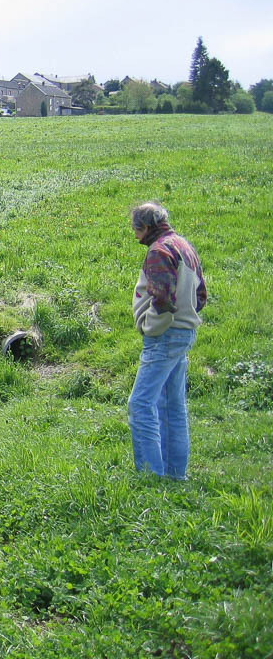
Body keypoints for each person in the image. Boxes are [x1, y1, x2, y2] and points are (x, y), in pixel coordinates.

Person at [127, 201, 207, 480]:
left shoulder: (159, 251)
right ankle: (175, 477)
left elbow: (162, 298)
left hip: (164, 337)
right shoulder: (182, 244)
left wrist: (151, 327)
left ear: (146, 226)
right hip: (183, 332)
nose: (135, 235)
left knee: (140, 404)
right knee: (172, 406)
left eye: (135, 229)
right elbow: (201, 295)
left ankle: (151, 477)